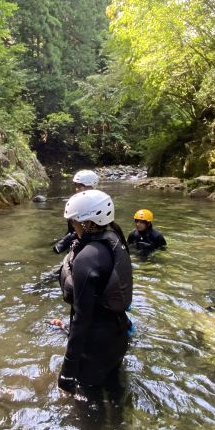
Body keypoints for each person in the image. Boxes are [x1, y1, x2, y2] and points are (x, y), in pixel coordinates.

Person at [57, 189, 133, 396]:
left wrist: (67, 370)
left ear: (87, 222)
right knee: (115, 392)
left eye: (73, 221)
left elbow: (82, 319)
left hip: (95, 347)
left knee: (88, 404)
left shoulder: (87, 259)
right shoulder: (115, 238)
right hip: (117, 336)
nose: (71, 225)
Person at [53, 169, 99, 254]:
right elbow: (71, 230)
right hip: (76, 236)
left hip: (87, 240)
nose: (77, 189)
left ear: (92, 186)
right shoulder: (75, 202)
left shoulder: (98, 204)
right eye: (76, 186)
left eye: (81, 186)